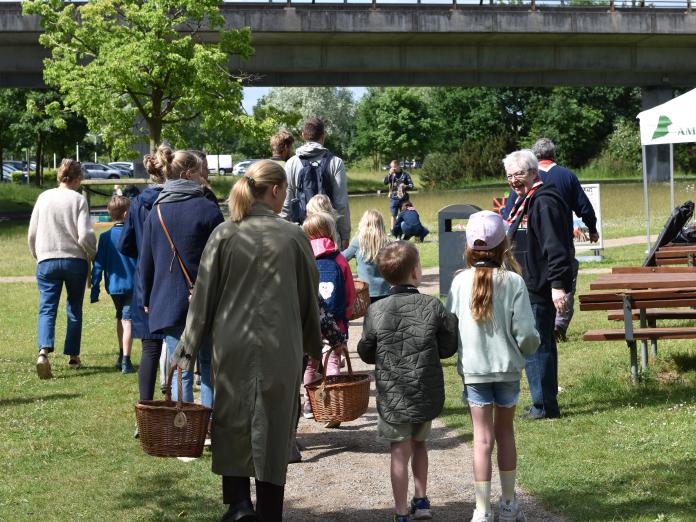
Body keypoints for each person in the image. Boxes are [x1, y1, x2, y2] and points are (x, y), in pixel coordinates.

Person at [171, 160, 322, 522]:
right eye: (285, 190)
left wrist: (187, 349)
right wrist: (314, 349)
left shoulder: (224, 234)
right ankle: (269, 511)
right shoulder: (293, 235)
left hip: (232, 345)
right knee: (275, 425)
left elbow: (202, 299)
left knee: (232, 420)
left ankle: (238, 505)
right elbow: (309, 298)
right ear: (274, 191)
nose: (285, 195)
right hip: (280, 346)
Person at [446, 211, 540, 522]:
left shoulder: (459, 282)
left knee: (482, 439)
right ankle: (510, 505)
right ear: (504, 247)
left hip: (474, 371)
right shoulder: (513, 281)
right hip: (508, 370)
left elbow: (450, 327)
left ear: (469, 248)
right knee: (506, 434)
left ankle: (482, 510)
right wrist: (530, 347)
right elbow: (526, 333)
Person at [358, 241, 458, 522]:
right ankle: (422, 499)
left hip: (393, 394)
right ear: (416, 272)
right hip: (424, 389)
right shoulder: (431, 305)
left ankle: (401, 512)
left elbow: (366, 352)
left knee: (399, 451)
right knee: (420, 444)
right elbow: (448, 345)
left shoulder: (376, 311)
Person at [140, 147, 223, 411]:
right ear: (187, 174)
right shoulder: (208, 209)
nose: (203, 177)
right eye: (200, 172)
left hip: (168, 299)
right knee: (209, 365)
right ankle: (209, 426)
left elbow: (146, 260)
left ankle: (184, 428)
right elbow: (224, 257)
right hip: (206, 299)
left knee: (180, 367)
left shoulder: (157, 211)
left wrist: (146, 298)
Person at [503, 150, 573, 420]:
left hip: (540, 285)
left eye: (519, 174)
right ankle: (545, 402)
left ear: (534, 173)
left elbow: (556, 248)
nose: (514, 180)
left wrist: (557, 285)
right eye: (509, 176)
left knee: (535, 344)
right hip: (530, 282)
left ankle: (543, 406)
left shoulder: (543, 202)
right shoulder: (527, 201)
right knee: (541, 343)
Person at [29, 159, 96, 379]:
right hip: (74, 260)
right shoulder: (78, 199)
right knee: (74, 308)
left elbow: (32, 233)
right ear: (77, 179)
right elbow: (84, 234)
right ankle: (74, 355)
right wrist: (92, 253)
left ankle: (43, 351)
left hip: (47, 259)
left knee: (47, 307)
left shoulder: (43, 197)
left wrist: (37, 255)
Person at [532, 138, 599, 342]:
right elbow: (584, 207)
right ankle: (559, 325)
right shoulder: (566, 176)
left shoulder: (528, 175)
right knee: (565, 277)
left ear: (535, 157)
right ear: (554, 155)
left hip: (533, 242)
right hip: (561, 240)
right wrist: (592, 228)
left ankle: (540, 325)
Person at [118, 149, 167, 404]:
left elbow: (125, 243)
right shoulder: (174, 199)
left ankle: (145, 410)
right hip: (173, 278)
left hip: (145, 279)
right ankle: (178, 409)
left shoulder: (137, 204)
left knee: (150, 349)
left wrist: (142, 253)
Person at [301, 211, 356, 427]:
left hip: (311, 322)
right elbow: (350, 292)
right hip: (336, 322)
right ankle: (333, 407)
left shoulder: (304, 258)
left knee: (310, 365)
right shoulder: (339, 258)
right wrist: (346, 314)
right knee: (333, 361)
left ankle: (308, 404)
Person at [281, 117, 351, 248]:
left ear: (303, 136)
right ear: (323, 136)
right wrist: (345, 235)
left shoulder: (291, 163)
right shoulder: (336, 162)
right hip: (330, 234)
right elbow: (341, 203)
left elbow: (286, 202)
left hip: (301, 234)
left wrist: (281, 233)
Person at [91, 195, 137, 374]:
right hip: (132, 285)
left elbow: (98, 264)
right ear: (127, 214)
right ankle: (126, 359)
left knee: (121, 317)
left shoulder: (105, 237)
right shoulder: (134, 234)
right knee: (128, 320)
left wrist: (95, 288)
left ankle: (121, 353)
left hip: (114, 286)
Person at [342, 209, 391, 303]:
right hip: (386, 291)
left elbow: (342, 258)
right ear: (381, 225)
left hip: (365, 292)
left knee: (369, 316)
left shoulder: (358, 242)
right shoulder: (388, 243)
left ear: (363, 224)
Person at [384, 160, 414, 229]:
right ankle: (393, 230)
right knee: (393, 215)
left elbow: (411, 186)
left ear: (398, 166)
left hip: (404, 199)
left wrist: (405, 186)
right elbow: (385, 182)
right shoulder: (391, 174)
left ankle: (403, 229)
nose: (392, 169)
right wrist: (389, 174)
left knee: (404, 215)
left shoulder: (405, 175)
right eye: (391, 167)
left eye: (394, 167)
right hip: (393, 198)